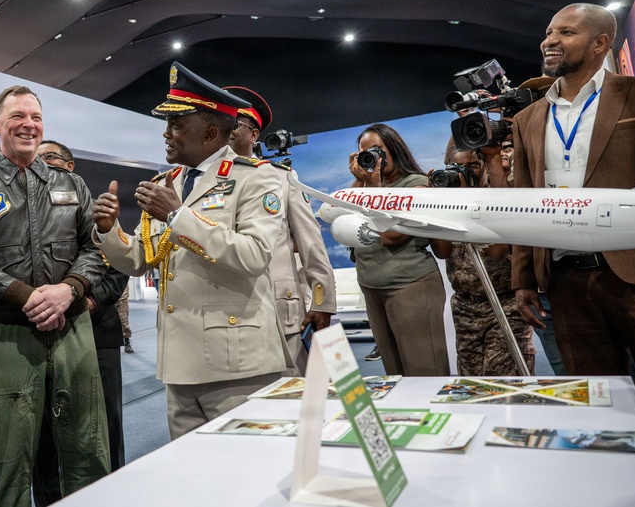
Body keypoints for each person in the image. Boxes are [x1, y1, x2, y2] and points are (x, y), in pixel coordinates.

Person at [93, 63, 288, 439]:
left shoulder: (256, 177)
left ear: (211, 133)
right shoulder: (167, 182)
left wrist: (178, 216)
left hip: (236, 364)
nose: (166, 133)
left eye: (177, 124)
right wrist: (108, 230)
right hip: (178, 363)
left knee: (243, 467)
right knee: (190, 469)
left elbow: (254, 255)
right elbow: (142, 259)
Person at [0, 85, 109, 507]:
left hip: (73, 331)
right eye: (17, 116)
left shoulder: (72, 185)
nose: (28, 125)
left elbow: (95, 249)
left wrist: (69, 290)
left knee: (87, 447)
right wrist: (26, 297)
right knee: (9, 457)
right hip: (9, 336)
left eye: (35, 117)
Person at [511, 2, 635, 432]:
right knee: (601, 416)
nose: (550, 41)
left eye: (566, 33)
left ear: (600, 43)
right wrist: (524, 279)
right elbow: (521, 203)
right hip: (566, 283)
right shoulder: (527, 120)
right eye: (549, 32)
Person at [32, 140, 129, 506]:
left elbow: (120, 265)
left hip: (96, 332)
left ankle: (111, 497)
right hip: (41, 333)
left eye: (50, 157)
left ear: (70, 166)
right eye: (37, 159)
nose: (42, 163)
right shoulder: (25, 210)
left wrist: (87, 301)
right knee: (44, 434)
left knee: (103, 427)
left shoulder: (94, 207)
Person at [223, 85, 337, 374]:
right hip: (226, 314)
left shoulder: (282, 179)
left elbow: (312, 246)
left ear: (254, 135)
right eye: (222, 121)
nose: (227, 129)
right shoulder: (205, 184)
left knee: (297, 389)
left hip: (280, 312)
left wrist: (322, 304)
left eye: (235, 124)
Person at [347, 123, 449, 376]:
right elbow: (345, 221)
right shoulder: (368, 186)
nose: (374, 157)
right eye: (365, 153)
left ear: (394, 148)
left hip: (410, 286)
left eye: (377, 150)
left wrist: (374, 187)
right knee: (394, 374)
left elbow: (392, 236)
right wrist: (360, 180)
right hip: (372, 286)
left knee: (425, 372)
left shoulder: (417, 186)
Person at [430, 141, 535, 376]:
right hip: (465, 307)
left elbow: (497, 252)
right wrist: (436, 202)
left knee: (506, 381)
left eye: (472, 166)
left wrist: (470, 202)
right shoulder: (445, 199)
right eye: (457, 167)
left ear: (484, 165)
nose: (464, 172)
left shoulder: (498, 195)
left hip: (503, 305)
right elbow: (442, 251)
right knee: (471, 383)